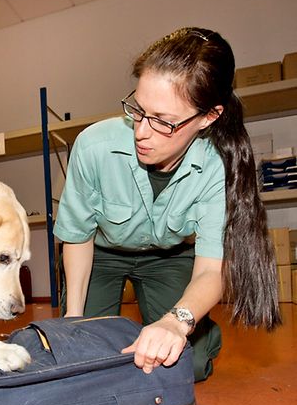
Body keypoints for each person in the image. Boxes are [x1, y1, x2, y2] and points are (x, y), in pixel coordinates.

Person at [54, 27, 281, 381]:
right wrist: (72, 320)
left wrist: (178, 322)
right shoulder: (93, 147)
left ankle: (203, 331)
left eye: (163, 121)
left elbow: (210, 269)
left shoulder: (217, 167)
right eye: (138, 110)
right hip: (102, 254)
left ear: (208, 117)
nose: (142, 131)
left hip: (168, 256)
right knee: (85, 359)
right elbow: (78, 236)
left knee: (186, 364)